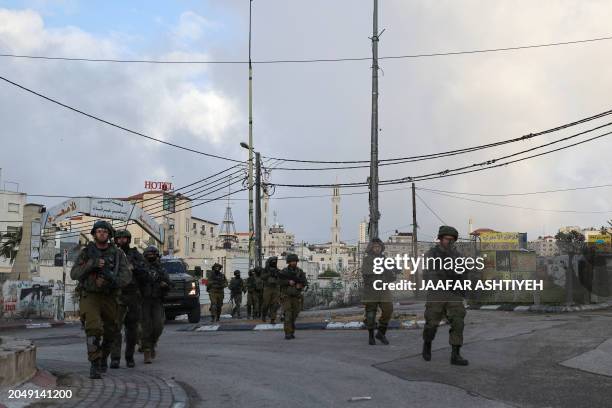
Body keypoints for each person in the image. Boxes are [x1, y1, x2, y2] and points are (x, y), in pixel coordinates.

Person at [70, 220, 131, 379]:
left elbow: (126, 276)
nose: (102, 233)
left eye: (104, 231)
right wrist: (92, 264)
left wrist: (112, 281)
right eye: (98, 231)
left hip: (110, 296)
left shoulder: (117, 254)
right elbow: (74, 273)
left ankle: (104, 357)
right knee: (94, 329)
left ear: (109, 234)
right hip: (90, 295)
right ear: (94, 234)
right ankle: (95, 363)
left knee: (111, 331)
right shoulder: (86, 252)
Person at [422, 226, 469, 366]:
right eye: (447, 239)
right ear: (441, 238)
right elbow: (428, 274)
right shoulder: (431, 254)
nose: (450, 242)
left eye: (452, 240)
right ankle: (427, 345)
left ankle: (455, 355)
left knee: (458, 322)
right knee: (431, 323)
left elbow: (464, 273)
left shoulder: (457, 255)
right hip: (437, 293)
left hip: (453, 293)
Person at [110, 229, 147, 369]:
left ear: (128, 240)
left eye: (124, 239)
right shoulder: (112, 253)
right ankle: (115, 358)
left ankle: (129, 357)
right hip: (117, 295)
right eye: (119, 239)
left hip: (133, 295)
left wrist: (134, 267)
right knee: (115, 329)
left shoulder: (135, 254)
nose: (121, 241)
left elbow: (145, 269)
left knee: (132, 329)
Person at [361, 238, 396, 345]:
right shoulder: (367, 259)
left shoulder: (385, 259)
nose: (377, 249)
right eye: (375, 247)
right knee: (370, 314)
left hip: (384, 289)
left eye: (379, 247)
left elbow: (392, 276)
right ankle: (371, 336)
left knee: (388, 310)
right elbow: (366, 273)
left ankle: (381, 333)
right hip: (371, 290)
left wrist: (391, 270)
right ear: (371, 248)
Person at [141, 246, 170, 364]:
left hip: (157, 300)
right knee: (145, 327)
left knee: (158, 326)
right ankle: (147, 351)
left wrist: (165, 285)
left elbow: (169, 283)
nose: (151, 257)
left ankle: (152, 343)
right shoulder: (141, 268)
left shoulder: (161, 269)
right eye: (149, 255)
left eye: (153, 254)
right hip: (144, 301)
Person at [278, 254, 308, 339]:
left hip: (296, 296)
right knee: (288, 314)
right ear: (289, 262)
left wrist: (300, 285)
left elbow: (305, 282)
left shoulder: (300, 272)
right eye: (292, 261)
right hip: (286, 296)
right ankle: (287, 333)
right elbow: (279, 281)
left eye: (295, 261)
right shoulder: (284, 271)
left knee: (294, 315)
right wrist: (288, 282)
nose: (293, 262)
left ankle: (291, 331)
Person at [261, 257, 281, 324]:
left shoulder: (277, 270)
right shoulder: (265, 270)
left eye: (275, 262)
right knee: (266, 304)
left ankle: (273, 319)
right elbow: (262, 277)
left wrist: (276, 275)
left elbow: (281, 278)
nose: (274, 263)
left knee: (274, 304)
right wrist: (269, 274)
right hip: (267, 288)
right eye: (272, 262)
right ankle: (263, 315)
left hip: (275, 288)